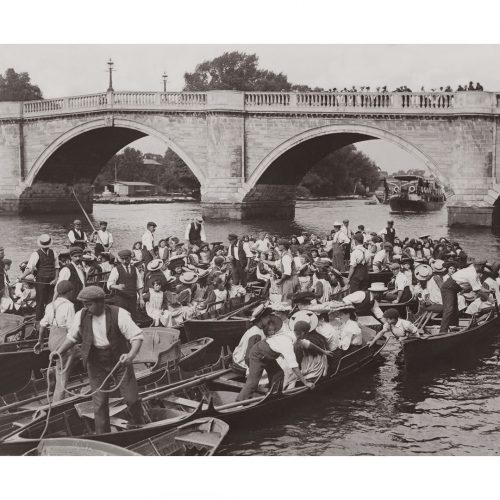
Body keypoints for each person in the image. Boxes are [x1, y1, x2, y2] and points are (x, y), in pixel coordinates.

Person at [51, 286, 144, 434]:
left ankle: (137, 424)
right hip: (95, 362)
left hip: (119, 361)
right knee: (99, 403)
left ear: (101, 302)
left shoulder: (119, 314)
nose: (86, 308)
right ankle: (103, 434)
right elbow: (72, 337)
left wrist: (130, 355)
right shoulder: (81, 315)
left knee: (131, 399)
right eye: (84, 305)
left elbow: (137, 337)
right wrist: (59, 351)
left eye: (89, 304)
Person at [236, 314, 315, 401]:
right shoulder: (287, 343)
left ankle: (272, 396)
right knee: (253, 382)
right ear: (303, 333)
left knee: (278, 374)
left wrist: (324, 351)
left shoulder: (291, 334)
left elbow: (305, 343)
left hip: (267, 356)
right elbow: (294, 366)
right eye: (307, 333)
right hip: (257, 355)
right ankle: (239, 402)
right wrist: (305, 382)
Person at [34, 281, 78, 402]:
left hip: (52, 339)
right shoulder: (69, 306)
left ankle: (53, 371)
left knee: (77, 355)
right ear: (69, 292)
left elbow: (42, 325)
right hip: (63, 339)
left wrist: (40, 341)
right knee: (63, 376)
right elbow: (71, 328)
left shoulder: (50, 305)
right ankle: (57, 403)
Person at [440, 258, 487, 333]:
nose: (484, 269)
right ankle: (442, 331)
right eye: (483, 267)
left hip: (453, 289)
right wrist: (488, 299)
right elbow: (477, 290)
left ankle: (454, 327)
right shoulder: (472, 273)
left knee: (455, 309)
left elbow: (480, 287)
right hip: (448, 288)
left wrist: (488, 291)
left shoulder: (473, 270)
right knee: (449, 309)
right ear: (481, 267)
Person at [20, 234, 60, 321]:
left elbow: (57, 267)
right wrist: (22, 277)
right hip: (41, 280)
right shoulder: (36, 254)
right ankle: (38, 321)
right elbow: (30, 268)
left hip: (52, 280)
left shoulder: (54, 253)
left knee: (51, 301)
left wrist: (56, 279)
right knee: (40, 302)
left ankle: (49, 320)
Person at [107, 249, 144, 317]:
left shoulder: (135, 269)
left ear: (130, 258)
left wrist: (141, 299)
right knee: (122, 318)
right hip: (121, 299)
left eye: (126, 259)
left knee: (132, 318)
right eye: (122, 259)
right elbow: (109, 284)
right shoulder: (116, 269)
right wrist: (117, 286)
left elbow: (139, 285)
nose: (124, 261)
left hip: (133, 299)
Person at [232, 304, 269, 372]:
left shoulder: (256, 329)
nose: (269, 319)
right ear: (261, 319)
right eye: (267, 317)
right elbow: (248, 357)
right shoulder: (256, 334)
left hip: (238, 357)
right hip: (242, 363)